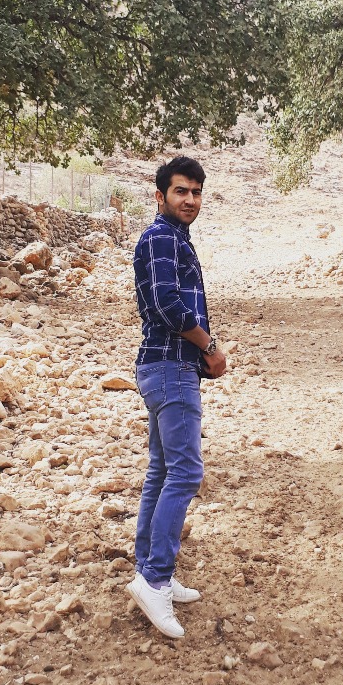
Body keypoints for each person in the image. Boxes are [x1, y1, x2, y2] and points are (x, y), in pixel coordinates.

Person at [128, 155, 227, 639]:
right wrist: (209, 346)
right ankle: (154, 579)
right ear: (160, 195)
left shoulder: (169, 237)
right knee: (185, 472)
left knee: (163, 470)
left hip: (162, 365)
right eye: (181, 191)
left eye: (196, 192)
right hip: (171, 367)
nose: (190, 200)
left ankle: (150, 572)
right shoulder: (164, 237)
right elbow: (168, 304)